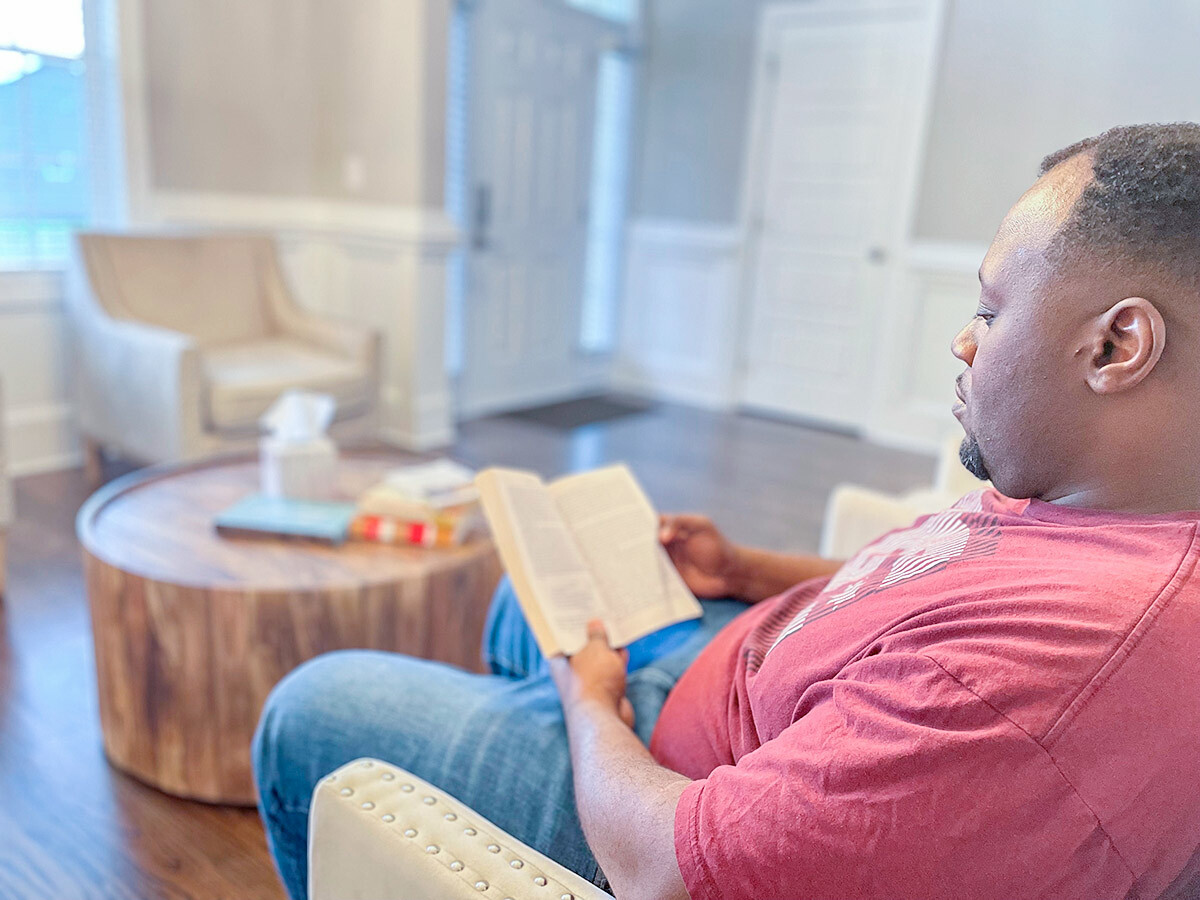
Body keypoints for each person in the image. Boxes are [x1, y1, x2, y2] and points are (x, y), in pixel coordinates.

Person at [253, 122, 1200, 900]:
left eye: (991, 312)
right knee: (519, 603)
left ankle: (501, 762)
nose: (963, 339)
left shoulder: (1041, 682)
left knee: (307, 712)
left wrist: (592, 705)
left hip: (671, 790)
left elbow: (668, 869)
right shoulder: (1101, 497)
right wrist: (746, 570)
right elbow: (939, 594)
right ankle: (509, 727)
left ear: (1118, 346)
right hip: (743, 668)